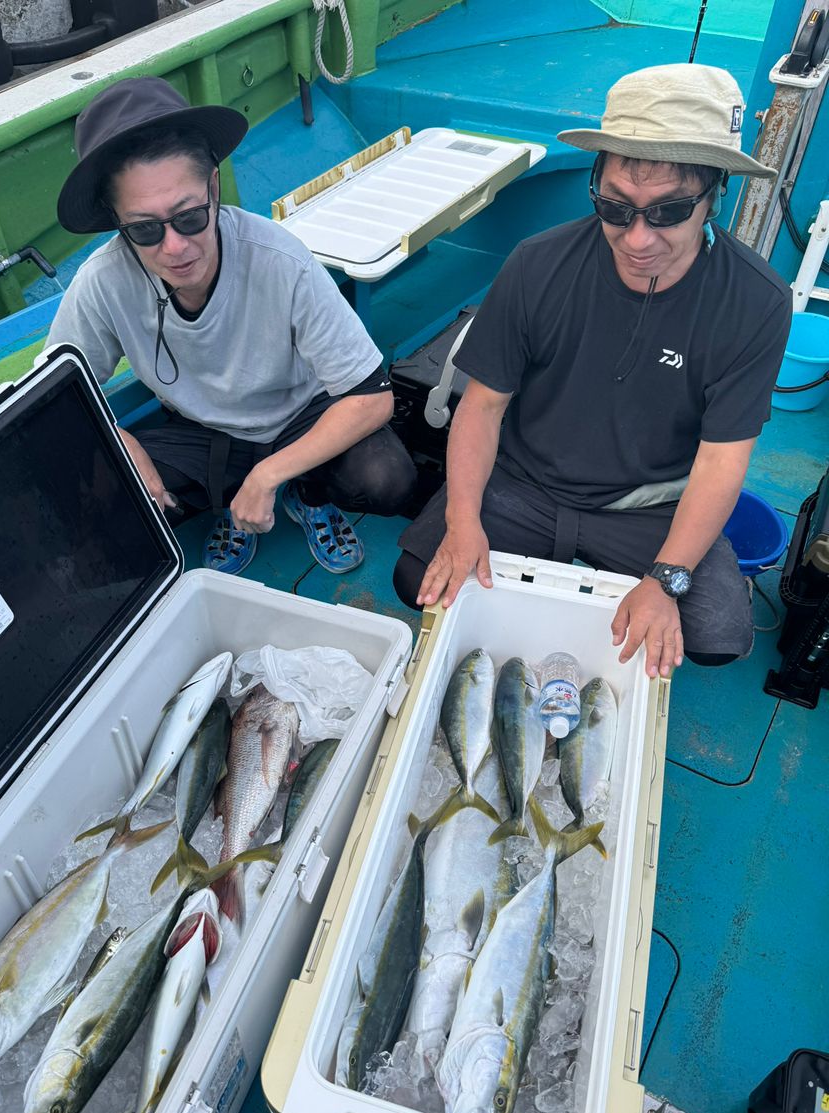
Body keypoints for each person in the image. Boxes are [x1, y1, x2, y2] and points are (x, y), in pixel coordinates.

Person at [393, 63, 792, 678]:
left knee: (717, 635)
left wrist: (666, 577)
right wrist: (462, 519)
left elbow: (721, 460)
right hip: (525, 484)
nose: (636, 239)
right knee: (416, 577)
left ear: (715, 197)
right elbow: (482, 405)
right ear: (595, 185)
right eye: (615, 207)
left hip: (649, 505)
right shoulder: (536, 264)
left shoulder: (757, 302)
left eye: (669, 213)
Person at [49, 76, 415, 574]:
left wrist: (267, 475)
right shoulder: (103, 282)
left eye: (189, 216)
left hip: (299, 413)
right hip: (201, 432)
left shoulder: (280, 260)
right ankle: (227, 505)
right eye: (144, 229)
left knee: (386, 479)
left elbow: (371, 396)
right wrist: (121, 438)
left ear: (214, 187)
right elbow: (55, 394)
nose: (174, 248)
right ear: (116, 221)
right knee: (95, 499)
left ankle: (305, 495)